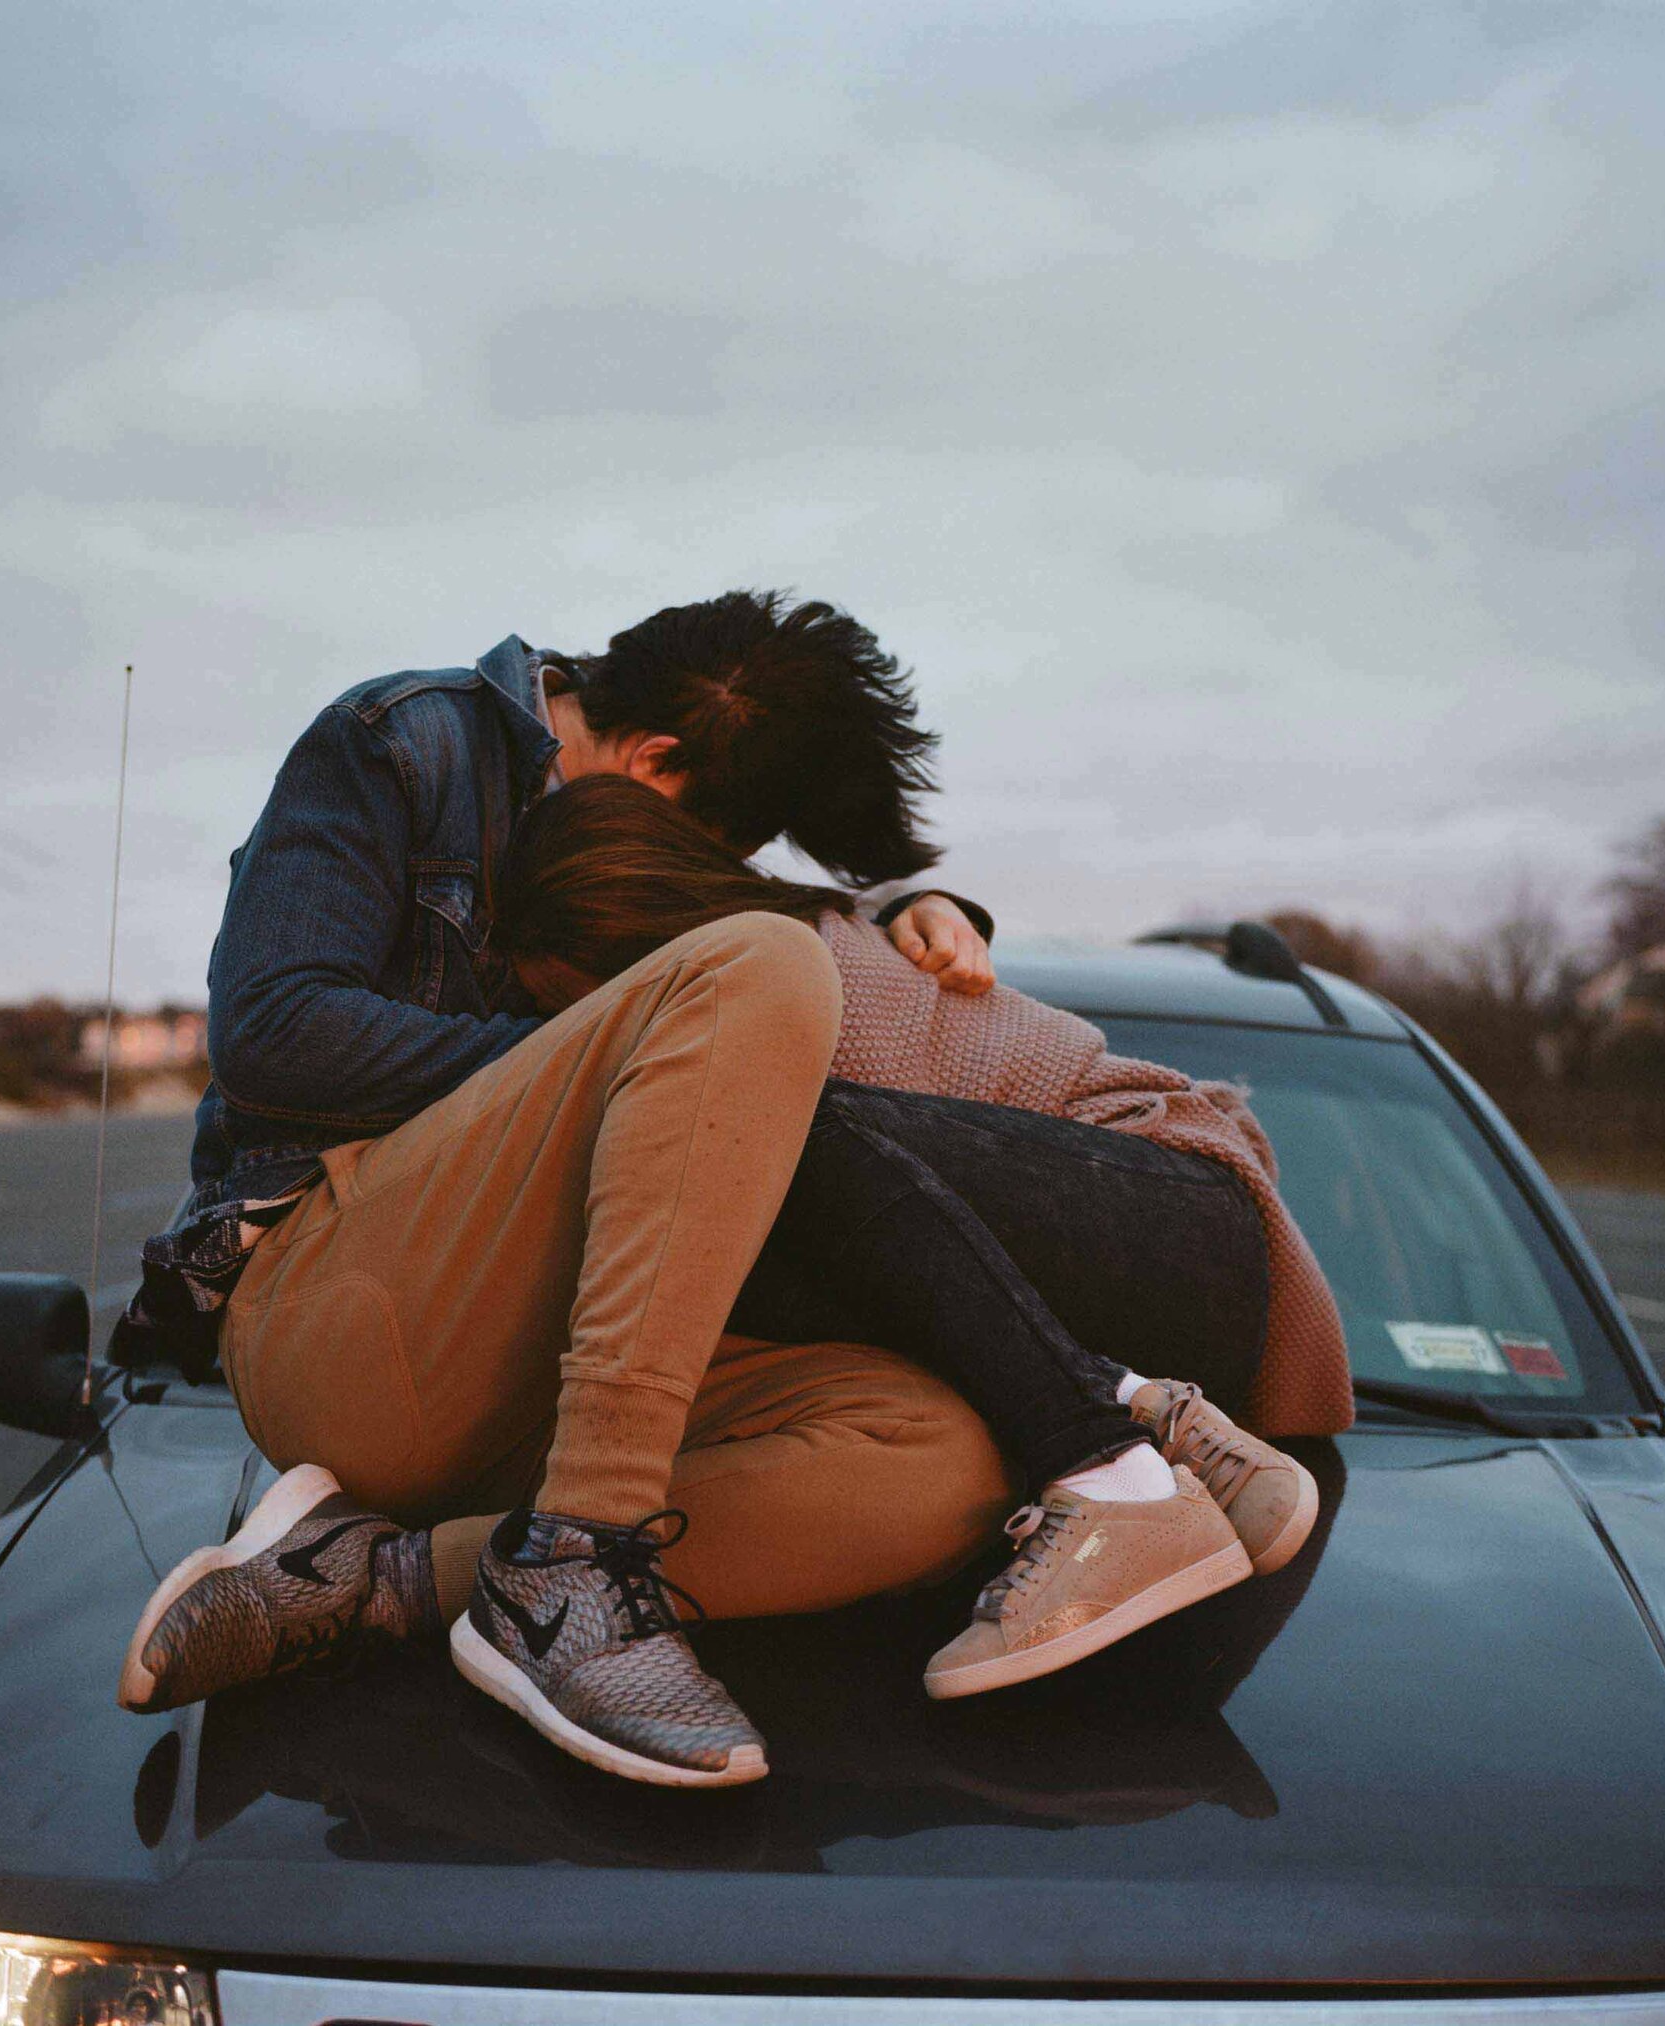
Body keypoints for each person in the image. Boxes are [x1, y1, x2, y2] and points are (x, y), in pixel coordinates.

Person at [118, 592, 1027, 1789]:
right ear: (656, 758)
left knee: (945, 1464)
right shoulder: (400, 741)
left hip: (560, 1374)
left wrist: (896, 910)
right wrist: (623, 1054)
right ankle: (573, 1569)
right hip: (342, 1309)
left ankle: (382, 1580)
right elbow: (275, 1032)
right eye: (722, 846)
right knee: (754, 967)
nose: (710, 879)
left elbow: (713, 936)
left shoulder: (655, 818)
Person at [488, 774, 1354, 1700]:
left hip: (1186, 1217)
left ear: (626, 943)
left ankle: (1113, 1477)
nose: (568, 1029)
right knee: (725, 1215)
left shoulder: (787, 972)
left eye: (570, 1001)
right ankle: (1148, 1417)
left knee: (746, 1132)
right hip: (1123, 1292)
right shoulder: (796, 950)